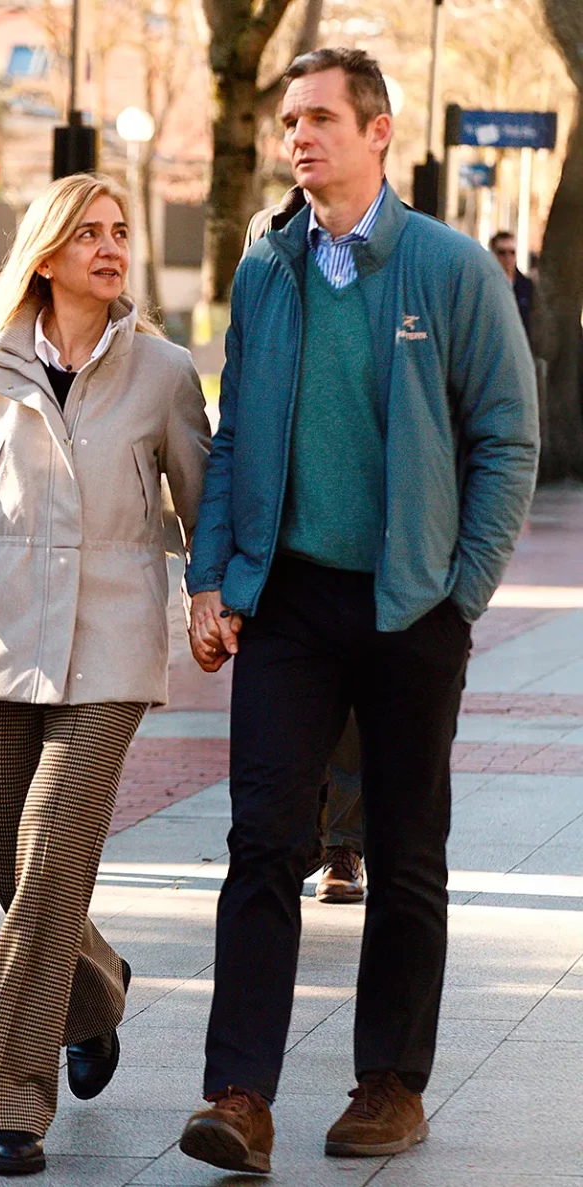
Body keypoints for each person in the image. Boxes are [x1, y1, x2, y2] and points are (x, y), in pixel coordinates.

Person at [179, 47, 539, 1174]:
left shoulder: (443, 268)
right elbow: (233, 435)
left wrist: (456, 594)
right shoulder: (264, 266)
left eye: (322, 118)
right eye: (289, 120)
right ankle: (238, 1093)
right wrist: (212, 576)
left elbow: (505, 438)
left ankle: (387, 1084)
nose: (300, 137)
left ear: (378, 133)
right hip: (285, 599)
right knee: (260, 841)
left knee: (403, 848)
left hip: (407, 608)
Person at [0, 172, 210, 1177]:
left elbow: (206, 499)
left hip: (108, 653)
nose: (112, 249)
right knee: (4, 847)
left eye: (121, 233)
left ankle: (13, 1102)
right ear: (46, 253)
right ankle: (96, 986)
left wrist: (211, 595)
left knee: (47, 848)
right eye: (90, 234)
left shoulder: (160, 371)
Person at [246, 185, 365, 908]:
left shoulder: (399, 242)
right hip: (279, 531)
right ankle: (296, 839)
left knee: (350, 708)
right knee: (288, 706)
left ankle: (344, 847)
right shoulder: (271, 233)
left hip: (357, 529)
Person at [490, 230, 534, 344]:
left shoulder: (527, 287)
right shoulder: (486, 286)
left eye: (512, 252)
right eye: (502, 252)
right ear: (493, 254)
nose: (507, 257)